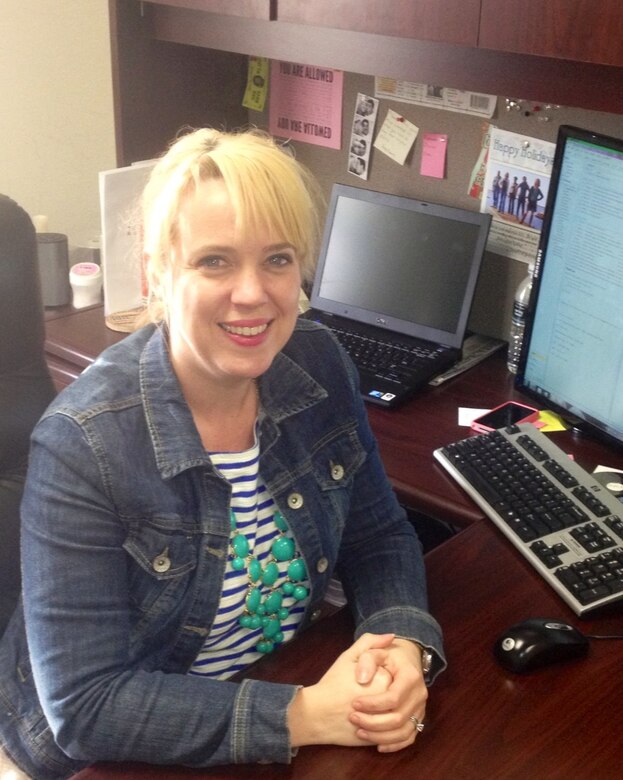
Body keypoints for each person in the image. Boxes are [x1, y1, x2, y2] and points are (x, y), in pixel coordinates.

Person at [0, 128, 445, 779]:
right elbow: (85, 705)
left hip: (270, 694)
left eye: (277, 259)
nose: (251, 293)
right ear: (158, 268)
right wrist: (305, 714)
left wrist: (400, 640)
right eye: (214, 261)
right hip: (100, 755)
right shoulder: (85, 441)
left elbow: (377, 535)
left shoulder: (318, 363)